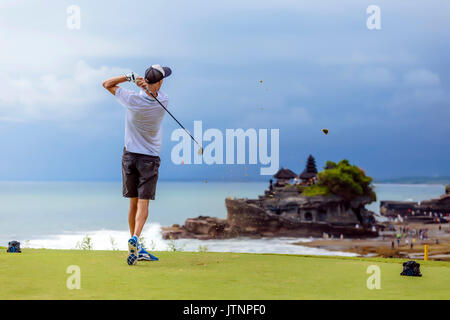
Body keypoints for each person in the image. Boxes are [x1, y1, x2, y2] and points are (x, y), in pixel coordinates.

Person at [102, 64, 172, 265]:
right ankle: (135, 239)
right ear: (160, 82)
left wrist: (129, 77)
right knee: (143, 202)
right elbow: (154, 94)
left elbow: (106, 84)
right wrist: (145, 87)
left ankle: (136, 245)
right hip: (149, 158)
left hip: (130, 157)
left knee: (133, 202)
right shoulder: (164, 100)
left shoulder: (131, 99)